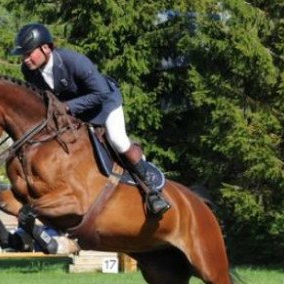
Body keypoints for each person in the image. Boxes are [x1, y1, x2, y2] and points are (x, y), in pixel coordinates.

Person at [11, 23, 170, 217]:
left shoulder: (74, 61)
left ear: (45, 48)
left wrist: (68, 107)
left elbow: (101, 93)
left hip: (105, 104)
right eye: (23, 55)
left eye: (28, 54)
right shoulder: (29, 72)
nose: (25, 59)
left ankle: (151, 189)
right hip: (74, 113)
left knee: (118, 141)